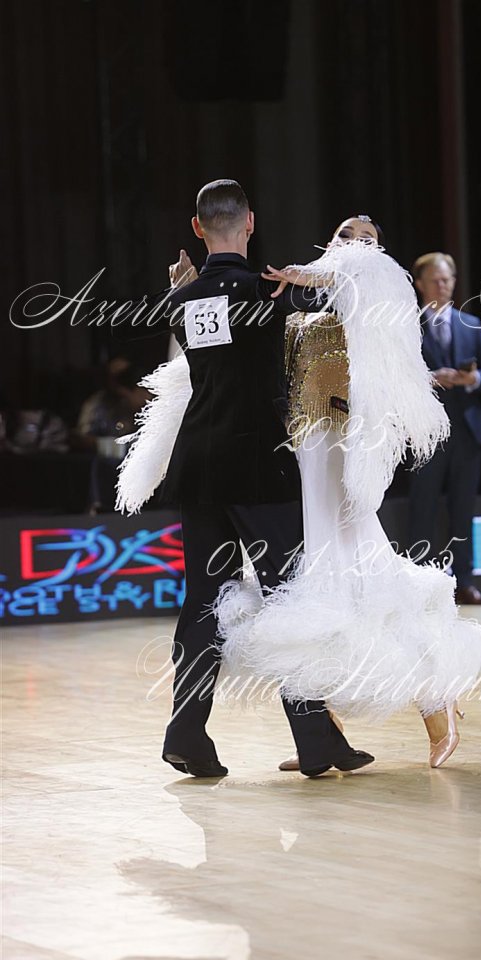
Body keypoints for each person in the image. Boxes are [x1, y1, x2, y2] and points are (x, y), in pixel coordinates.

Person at [112, 180, 374, 779]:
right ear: (250, 222)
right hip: (260, 466)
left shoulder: (183, 298)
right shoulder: (269, 288)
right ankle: (315, 740)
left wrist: (182, 288)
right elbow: (351, 298)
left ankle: (186, 733)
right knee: (290, 599)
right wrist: (311, 276)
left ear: (197, 227)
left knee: (202, 603)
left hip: (201, 466)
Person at [215, 217, 481, 769]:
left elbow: (358, 278)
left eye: (366, 237)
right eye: (345, 234)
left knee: (368, 578)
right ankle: (327, 735)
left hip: (343, 449)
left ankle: (436, 704)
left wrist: (312, 272)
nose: (353, 243)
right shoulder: (304, 303)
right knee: (321, 590)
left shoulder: (376, 294)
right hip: (303, 453)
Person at [408, 252, 481, 605]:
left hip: (466, 428)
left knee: (464, 511)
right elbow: (397, 373)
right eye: (435, 280)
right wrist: (430, 378)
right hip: (427, 431)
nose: (442, 286)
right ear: (420, 284)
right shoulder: (406, 325)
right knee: (423, 509)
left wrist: (471, 379)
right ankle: (419, 586)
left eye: (447, 279)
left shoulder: (470, 323)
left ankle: (465, 582)